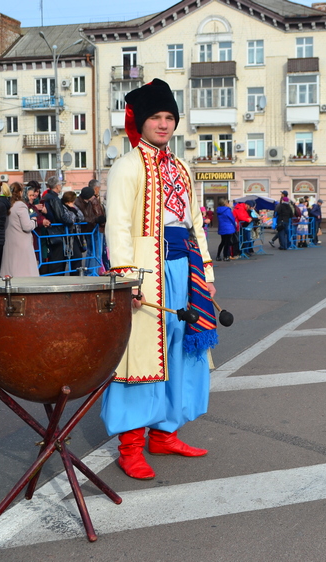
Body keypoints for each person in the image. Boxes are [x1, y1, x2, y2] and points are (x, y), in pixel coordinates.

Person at [100, 78, 217, 480]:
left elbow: (195, 222)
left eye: (170, 117)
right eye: (156, 117)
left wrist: (208, 272)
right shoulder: (127, 166)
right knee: (143, 355)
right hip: (147, 270)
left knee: (182, 348)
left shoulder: (182, 167)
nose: (164, 124)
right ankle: (131, 446)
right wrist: (127, 278)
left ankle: (166, 433)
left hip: (185, 268)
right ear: (141, 121)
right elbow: (115, 226)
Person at [0, 183, 40, 277]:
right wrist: (34, 222)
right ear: (21, 192)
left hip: (10, 242)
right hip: (22, 244)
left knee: (11, 269)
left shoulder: (8, 205)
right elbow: (27, 226)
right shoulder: (20, 205)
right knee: (25, 272)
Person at [75, 184, 107, 273]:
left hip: (91, 227)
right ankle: (92, 272)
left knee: (92, 251)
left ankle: (91, 271)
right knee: (94, 252)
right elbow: (82, 218)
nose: (94, 196)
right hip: (89, 229)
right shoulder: (78, 203)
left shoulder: (87, 202)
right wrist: (96, 220)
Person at [60, 190, 85, 275]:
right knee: (74, 256)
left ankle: (77, 274)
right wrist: (74, 216)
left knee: (78, 256)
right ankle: (74, 275)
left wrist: (74, 211)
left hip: (76, 235)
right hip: (68, 236)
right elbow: (70, 219)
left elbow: (81, 217)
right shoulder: (63, 207)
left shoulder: (74, 207)